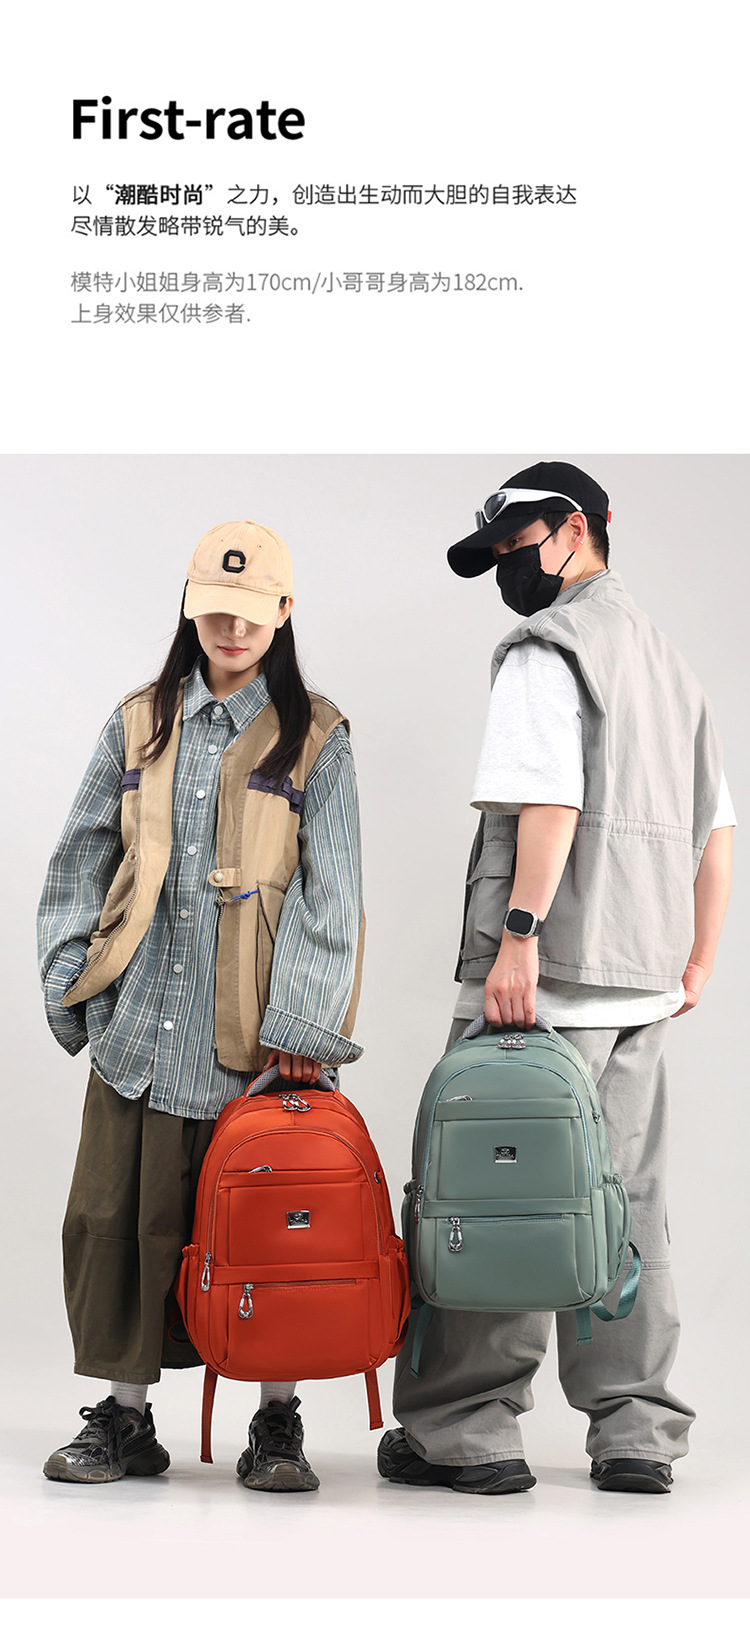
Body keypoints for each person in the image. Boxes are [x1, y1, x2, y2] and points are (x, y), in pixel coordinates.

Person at [379, 461, 734, 1496]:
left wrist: (520, 937)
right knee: (623, 1204)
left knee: (493, 1194)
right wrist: (698, 958)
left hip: (548, 982)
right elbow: (717, 829)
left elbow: (550, 800)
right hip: (642, 982)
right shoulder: (667, 662)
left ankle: (465, 1432)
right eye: (494, 555)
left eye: (516, 543)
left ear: (575, 528)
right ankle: (636, 1430)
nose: (507, 567)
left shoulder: (549, 648)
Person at [38, 520, 364, 1492]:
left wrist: (302, 1028)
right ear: (190, 604)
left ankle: (276, 1420)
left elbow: (332, 893)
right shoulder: (140, 721)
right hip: (138, 1029)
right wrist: (75, 984)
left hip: (254, 1047)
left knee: (267, 1236)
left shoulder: (317, 738)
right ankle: (126, 1419)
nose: (233, 627)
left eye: (253, 611)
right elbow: (81, 853)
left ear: (285, 612)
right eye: (216, 608)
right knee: (114, 1225)